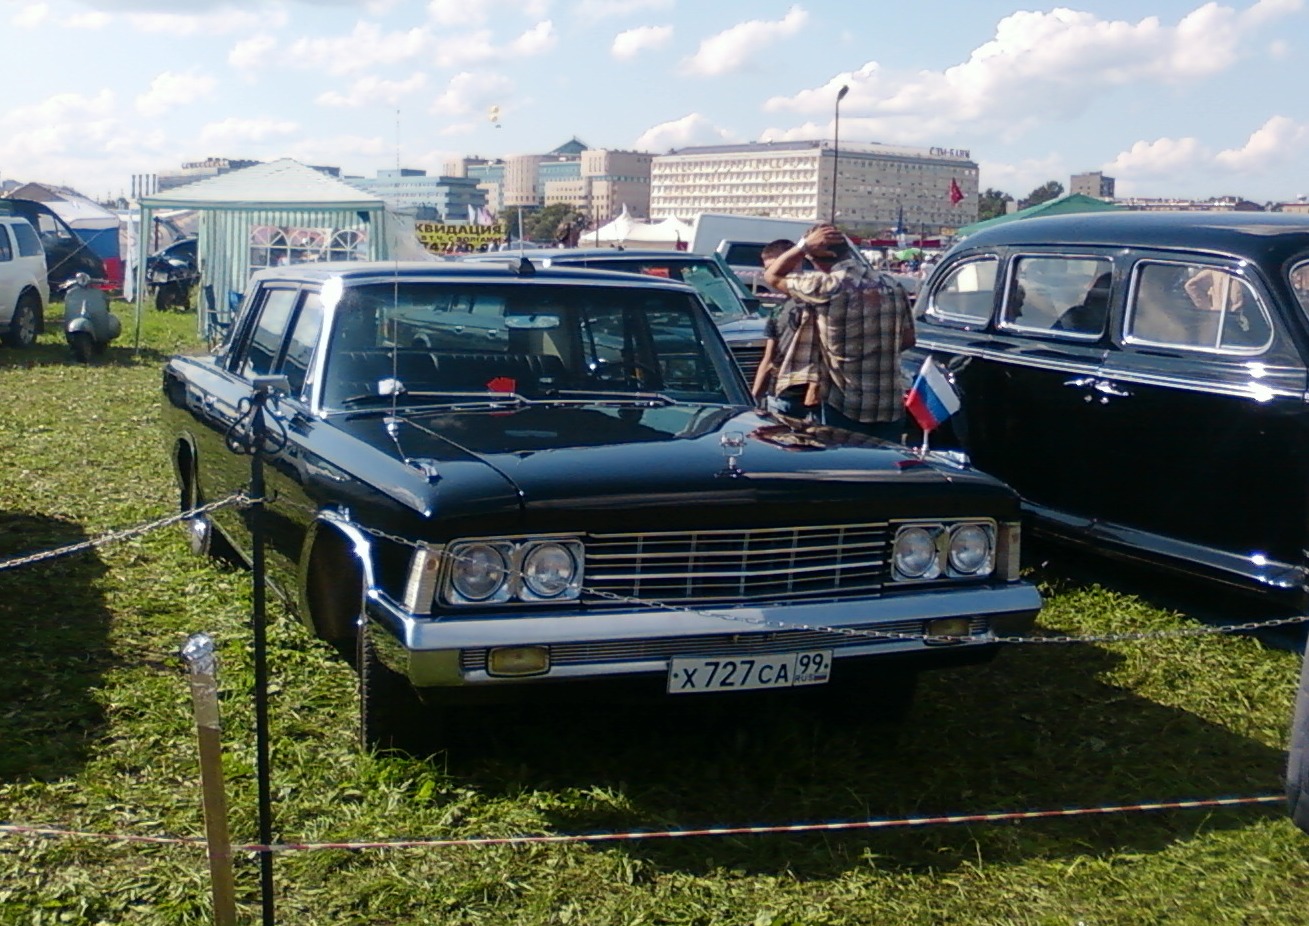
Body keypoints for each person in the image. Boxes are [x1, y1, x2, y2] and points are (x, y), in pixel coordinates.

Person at [763, 224, 916, 441]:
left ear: (819, 257)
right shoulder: (892, 285)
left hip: (844, 403)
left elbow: (772, 276)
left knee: (845, 460)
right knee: (884, 461)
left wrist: (802, 246)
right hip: (889, 404)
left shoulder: (826, 286)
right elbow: (908, 339)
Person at [750, 239, 820, 419]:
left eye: (777, 267)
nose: (771, 275)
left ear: (796, 263)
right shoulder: (779, 309)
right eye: (768, 269)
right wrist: (753, 399)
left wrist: (815, 389)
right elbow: (769, 358)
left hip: (811, 400)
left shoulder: (819, 300)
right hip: (779, 395)